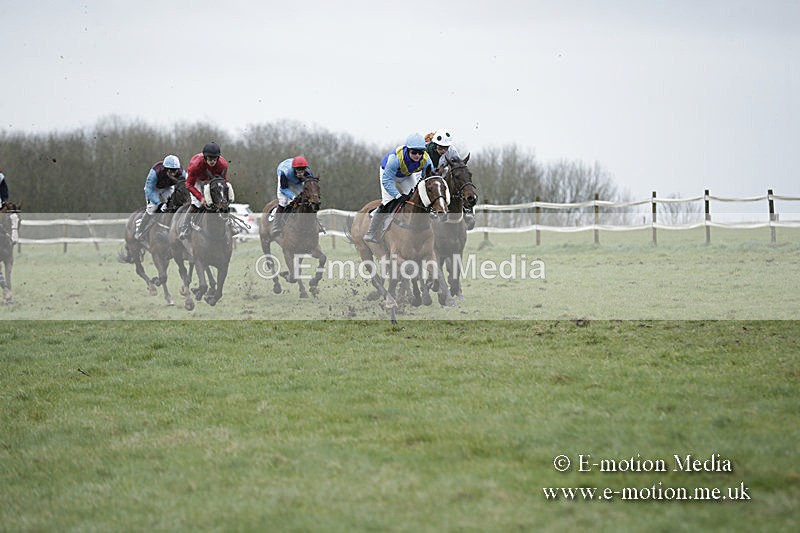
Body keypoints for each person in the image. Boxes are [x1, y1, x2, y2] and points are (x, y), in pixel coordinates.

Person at [363, 133, 434, 244]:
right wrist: (398, 196)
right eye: (414, 152)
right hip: (388, 175)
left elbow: (429, 179)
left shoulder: (426, 160)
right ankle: (371, 232)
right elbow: (387, 181)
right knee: (389, 201)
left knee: (415, 198)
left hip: (406, 175)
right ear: (408, 150)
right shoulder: (395, 159)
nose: (417, 155)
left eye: (420, 152)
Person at [179, 142, 231, 239]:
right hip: (196, 180)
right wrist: (201, 198)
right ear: (205, 158)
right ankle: (184, 227)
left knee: (221, 199)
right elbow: (189, 184)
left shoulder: (223, 165)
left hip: (212, 180)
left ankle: (230, 224)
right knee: (197, 204)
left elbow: (224, 181)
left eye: (214, 159)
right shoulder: (195, 165)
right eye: (210, 159)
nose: (212, 161)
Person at [425, 129, 475, 229]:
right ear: (435, 144)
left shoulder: (452, 150)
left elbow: (459, 165)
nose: (443, 150)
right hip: (427, 174)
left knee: (458, 180)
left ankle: (467, 210)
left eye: (445, 148)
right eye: (440, 147)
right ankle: (429, 209)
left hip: (443, 172)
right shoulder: (427, 150)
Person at [134, 155, 186, 240]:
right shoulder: (155, 171)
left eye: (175, 171)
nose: (173, 174)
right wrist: (159, 204)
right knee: (153, 209)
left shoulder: (181, 172)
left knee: (173, 206)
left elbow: (188, 183)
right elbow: (149, 189)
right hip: (154, 189)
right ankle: (140, 231)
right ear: (165, 169)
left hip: (168, 187)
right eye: (171, 171)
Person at [271, 155, 315, 237]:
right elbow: (283, 189)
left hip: (297, 181)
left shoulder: (309, 173)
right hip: (285, 178)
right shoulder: (285, 172)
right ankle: (276, 225)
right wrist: (294, 197)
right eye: (298, 170)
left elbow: (310, 187)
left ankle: (316, 221)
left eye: (302, 170)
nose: (300, 173)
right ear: (294, 169)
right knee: (283, 201)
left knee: (308, 199)